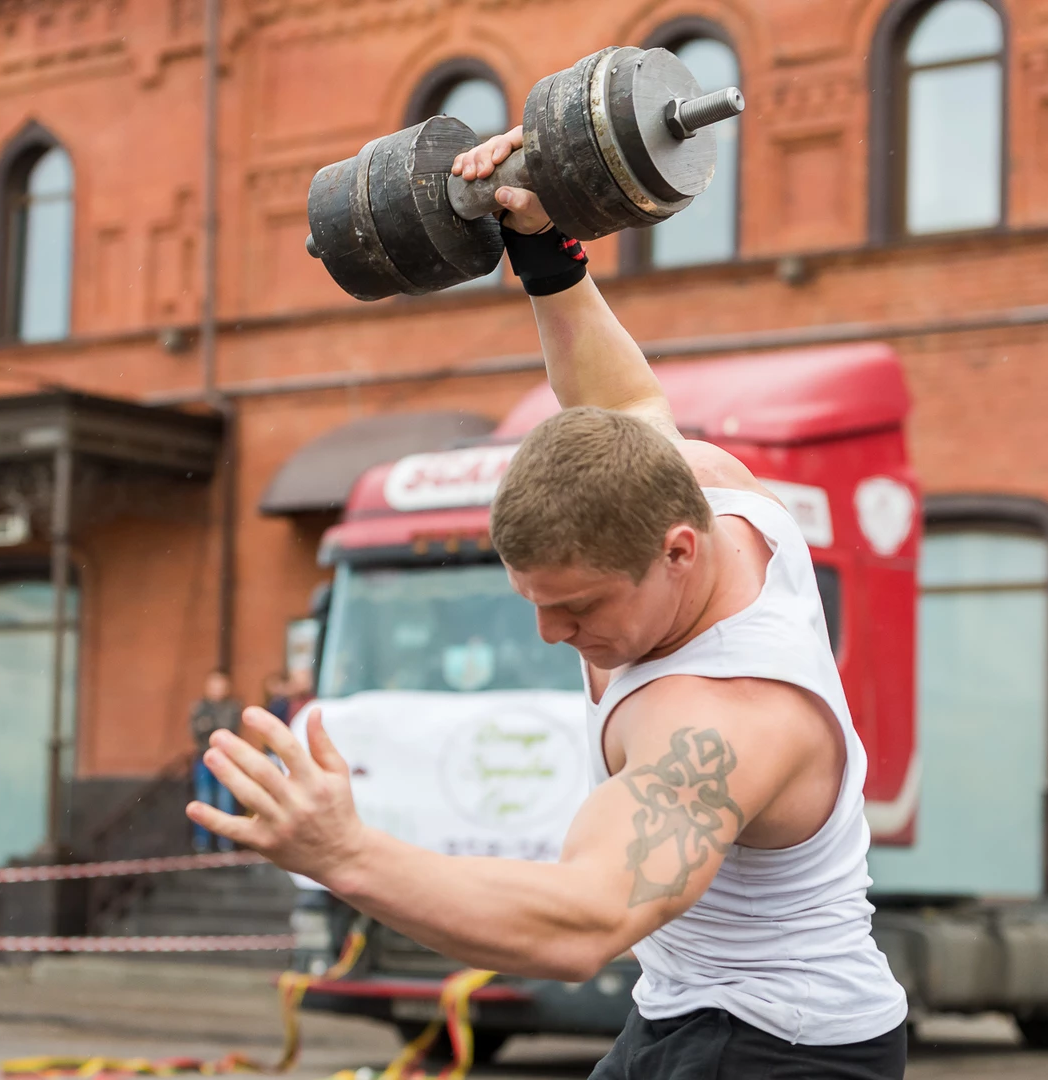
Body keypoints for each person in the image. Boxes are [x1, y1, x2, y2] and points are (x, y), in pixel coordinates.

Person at [188, 124, 909, 1079]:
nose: (549, 633)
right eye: (531, 600)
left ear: (677, 552)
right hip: (687, 1012)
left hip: (782, 1049)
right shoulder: (706, 489)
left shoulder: (724, 721)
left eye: (577, 608)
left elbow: (584, 922)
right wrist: (539, 246)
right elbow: (623, 404)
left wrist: (342, 852)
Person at [187, 671, 241, 852]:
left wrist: (209, 724)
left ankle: (226, 844)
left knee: (225, 800)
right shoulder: (199, 707)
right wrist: (213, 726)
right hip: (203, 759)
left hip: (225, 759)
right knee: (203, 801)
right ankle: (202, 844)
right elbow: (197, 731)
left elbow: (227, 729)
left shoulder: (232, 707)